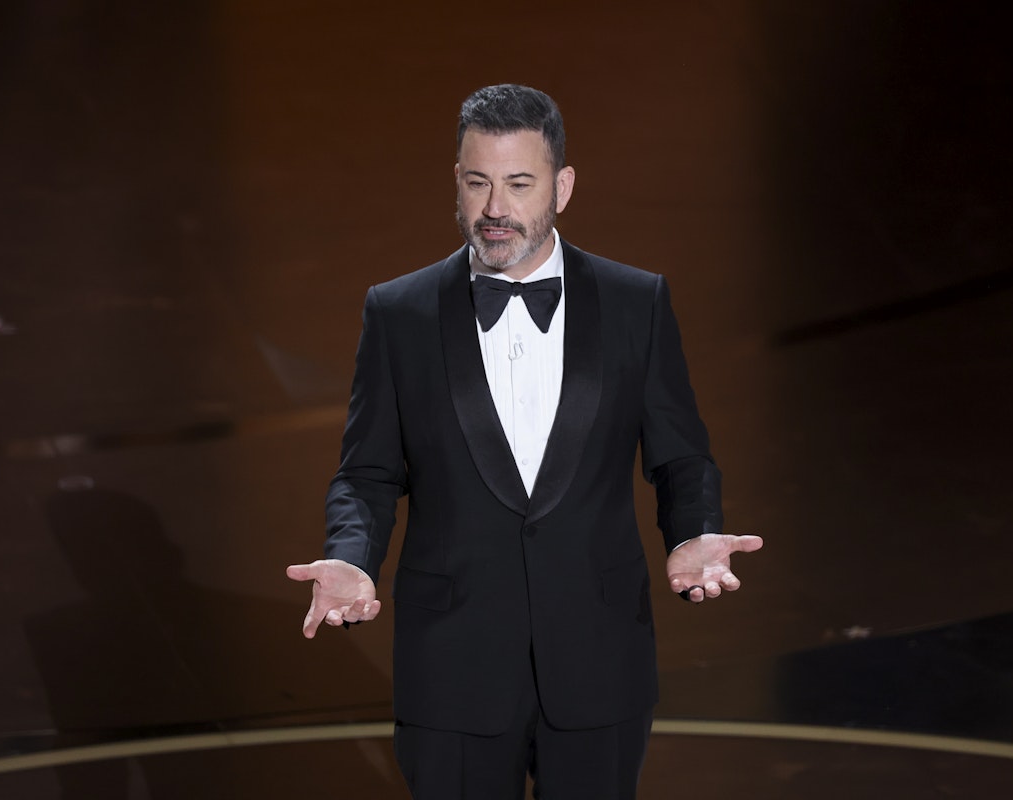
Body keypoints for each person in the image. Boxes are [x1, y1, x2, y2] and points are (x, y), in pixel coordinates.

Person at [287, 83, 762, 799]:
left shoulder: (636, 302)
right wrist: (352, 555)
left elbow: (681, 455)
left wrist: (693, 531)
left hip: (600, 654)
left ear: (562, 187)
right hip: (453, 666)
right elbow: (368, 472)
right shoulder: (399, 312)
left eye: (518, 184)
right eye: (478, 182)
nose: (495, 209)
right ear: (457, 181)